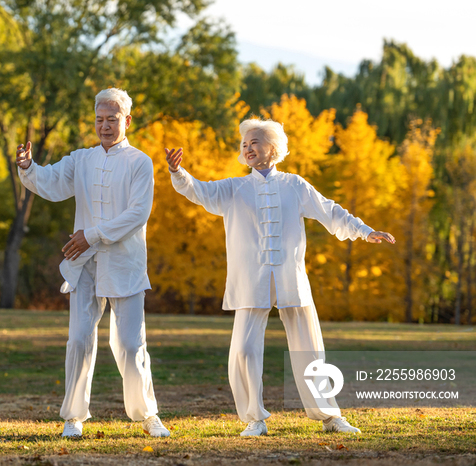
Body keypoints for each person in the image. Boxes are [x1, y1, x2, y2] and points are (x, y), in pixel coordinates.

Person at [165, 118, 395, 437]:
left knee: (309, 349)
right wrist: (178, 172)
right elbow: (199, 191)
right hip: (250, 280)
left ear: (273, 149)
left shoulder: (295, 185)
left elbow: (331, 211)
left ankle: (330, 417)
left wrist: (365, 231)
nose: (247, 147)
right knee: (244, 350)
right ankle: (254, 419)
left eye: (254, 142)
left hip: (291, 277)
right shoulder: (234, 188)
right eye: (244, 143)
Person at [15, 88, 169, 438]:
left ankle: (147, 415)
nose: (105, 126)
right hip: (83, 263)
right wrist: (28, 167)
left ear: (127, 121)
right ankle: (74, 416)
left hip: (126, 264)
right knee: (80, 339)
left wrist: (92, 234)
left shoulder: (140, 163)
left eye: (112, 120)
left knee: (130, 344)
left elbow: (137, 215)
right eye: (99, 120)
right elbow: (52, 183)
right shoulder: (80, 159)